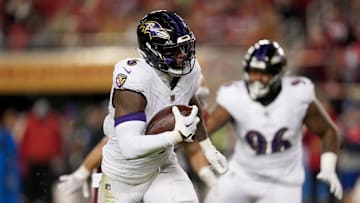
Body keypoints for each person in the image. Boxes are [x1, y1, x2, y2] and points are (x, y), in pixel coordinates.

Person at [61, 10, 228, 203]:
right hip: (122, 177)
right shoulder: (134, 81)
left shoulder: (191, 72)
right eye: (173, 50)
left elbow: (190, 100)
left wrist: (207, 146)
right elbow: (129, 147)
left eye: (184, 47)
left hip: (161, 167)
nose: (182, 55)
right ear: (151, 50)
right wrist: (174, 136)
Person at [203, 39, 343, 203]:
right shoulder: (235, 95)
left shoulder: (297, 95)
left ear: (278, 73)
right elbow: (204, 130)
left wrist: (328, 167)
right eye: (253, 71)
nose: (256, 78)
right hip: (242, 174)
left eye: (263, 73)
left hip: (282, 182)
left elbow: (328, 131)